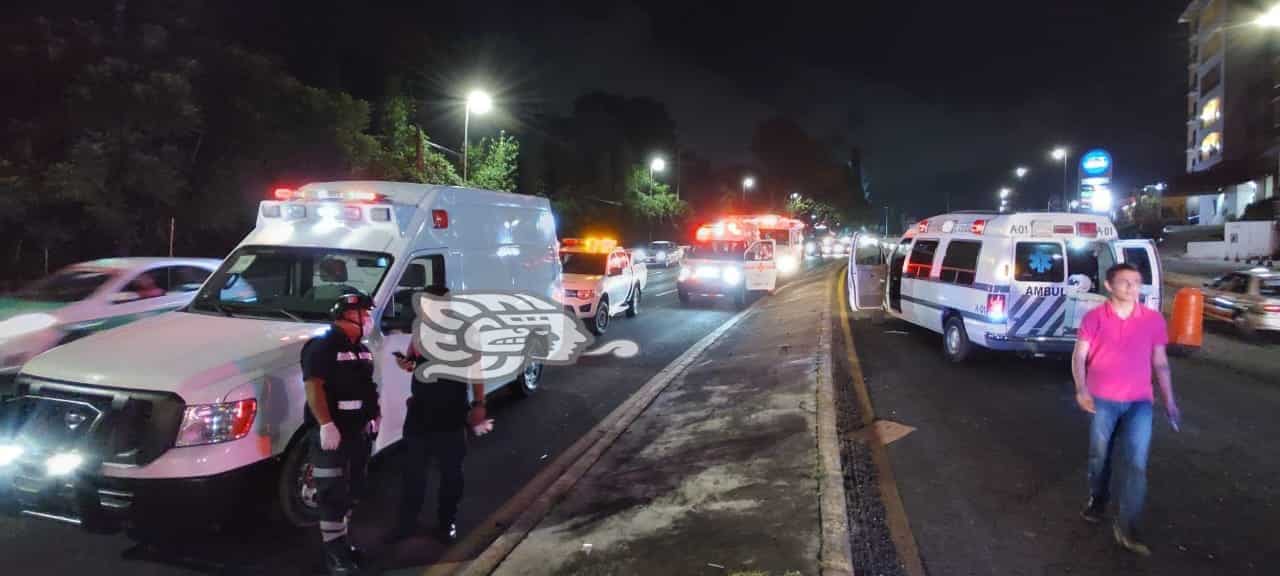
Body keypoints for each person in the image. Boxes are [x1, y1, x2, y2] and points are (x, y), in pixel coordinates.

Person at [1071, 263, 1179, 557]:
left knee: (1136, 464)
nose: (1133, 288)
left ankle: (1127, 526)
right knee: (1100, 457)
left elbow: (1160, 363)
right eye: (1125, 282)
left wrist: (1169, 400)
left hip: (1139, 402)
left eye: (1137, 282)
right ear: (1108, 285)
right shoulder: (1094, 318)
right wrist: (1081, 388)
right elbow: (1079, 357)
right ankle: (1098, 498)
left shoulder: (1153, 320)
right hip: (1102, 400)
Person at [388, 285, 493, 545]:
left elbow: (476, 369)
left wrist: (479, 403)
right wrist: (406, 364)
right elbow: (414, 361)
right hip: (419, 414)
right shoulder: (419, 328)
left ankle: (447, 523)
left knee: (451, 475)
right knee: (413, 474)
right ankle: (406, 524)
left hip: (451, 414)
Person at [303, 292, 381, 575]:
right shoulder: (322, 347)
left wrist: (374, 417)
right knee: (332, 494)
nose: (369, 319)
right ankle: (334, 554)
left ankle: (342, 543)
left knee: (353, 490)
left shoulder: (361, 348)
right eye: (365, 314)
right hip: (333, 433)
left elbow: (368, 387)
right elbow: (314, 387)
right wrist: (325, 423)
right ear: (349, 315)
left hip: (357, 431)